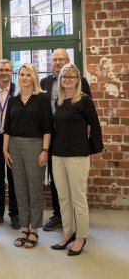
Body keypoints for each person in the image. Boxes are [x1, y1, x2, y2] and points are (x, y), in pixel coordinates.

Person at [50, 64, 103, 256]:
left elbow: (95, 128)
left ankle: (81, 237)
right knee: (64, 198)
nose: (67, 80)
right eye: (64, 77)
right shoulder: (59, 102)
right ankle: (68, 233)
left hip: (78, 156)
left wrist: (87, 150)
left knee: (78, 199)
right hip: (58, 155)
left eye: (71, 76)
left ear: (78, 79)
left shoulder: (84, 101)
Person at [40, 48, 92, 231]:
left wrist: (83, 139)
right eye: (55, 59)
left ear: (68, 60)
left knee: (76, 185)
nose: (58, 62)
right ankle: (59, 215)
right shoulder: (44, 82)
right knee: (57, 179)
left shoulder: (81, 82)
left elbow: (88, 115)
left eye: (62, 59)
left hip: (73, 136)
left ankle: (79, 221)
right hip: (52, 136)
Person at [3, 63, 53, 248]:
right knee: (20, 189)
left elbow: (48, 128)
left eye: (28, 75)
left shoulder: (42, 99)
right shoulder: (13, 99)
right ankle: (24, 227)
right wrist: (5, 149)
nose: (24, 77)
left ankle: (34, 230)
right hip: (14, 145)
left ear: (34, 78)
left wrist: (45, 151)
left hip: (35, 145)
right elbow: (7, 127)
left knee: (34, 189)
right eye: (22, 74)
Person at [0, 59, 19, 229]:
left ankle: (15, 213)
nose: (4, 73)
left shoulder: (17, 91)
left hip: (13, 140)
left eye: (7, 70)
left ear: (11, 72)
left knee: (14, 178)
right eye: (1, 69)